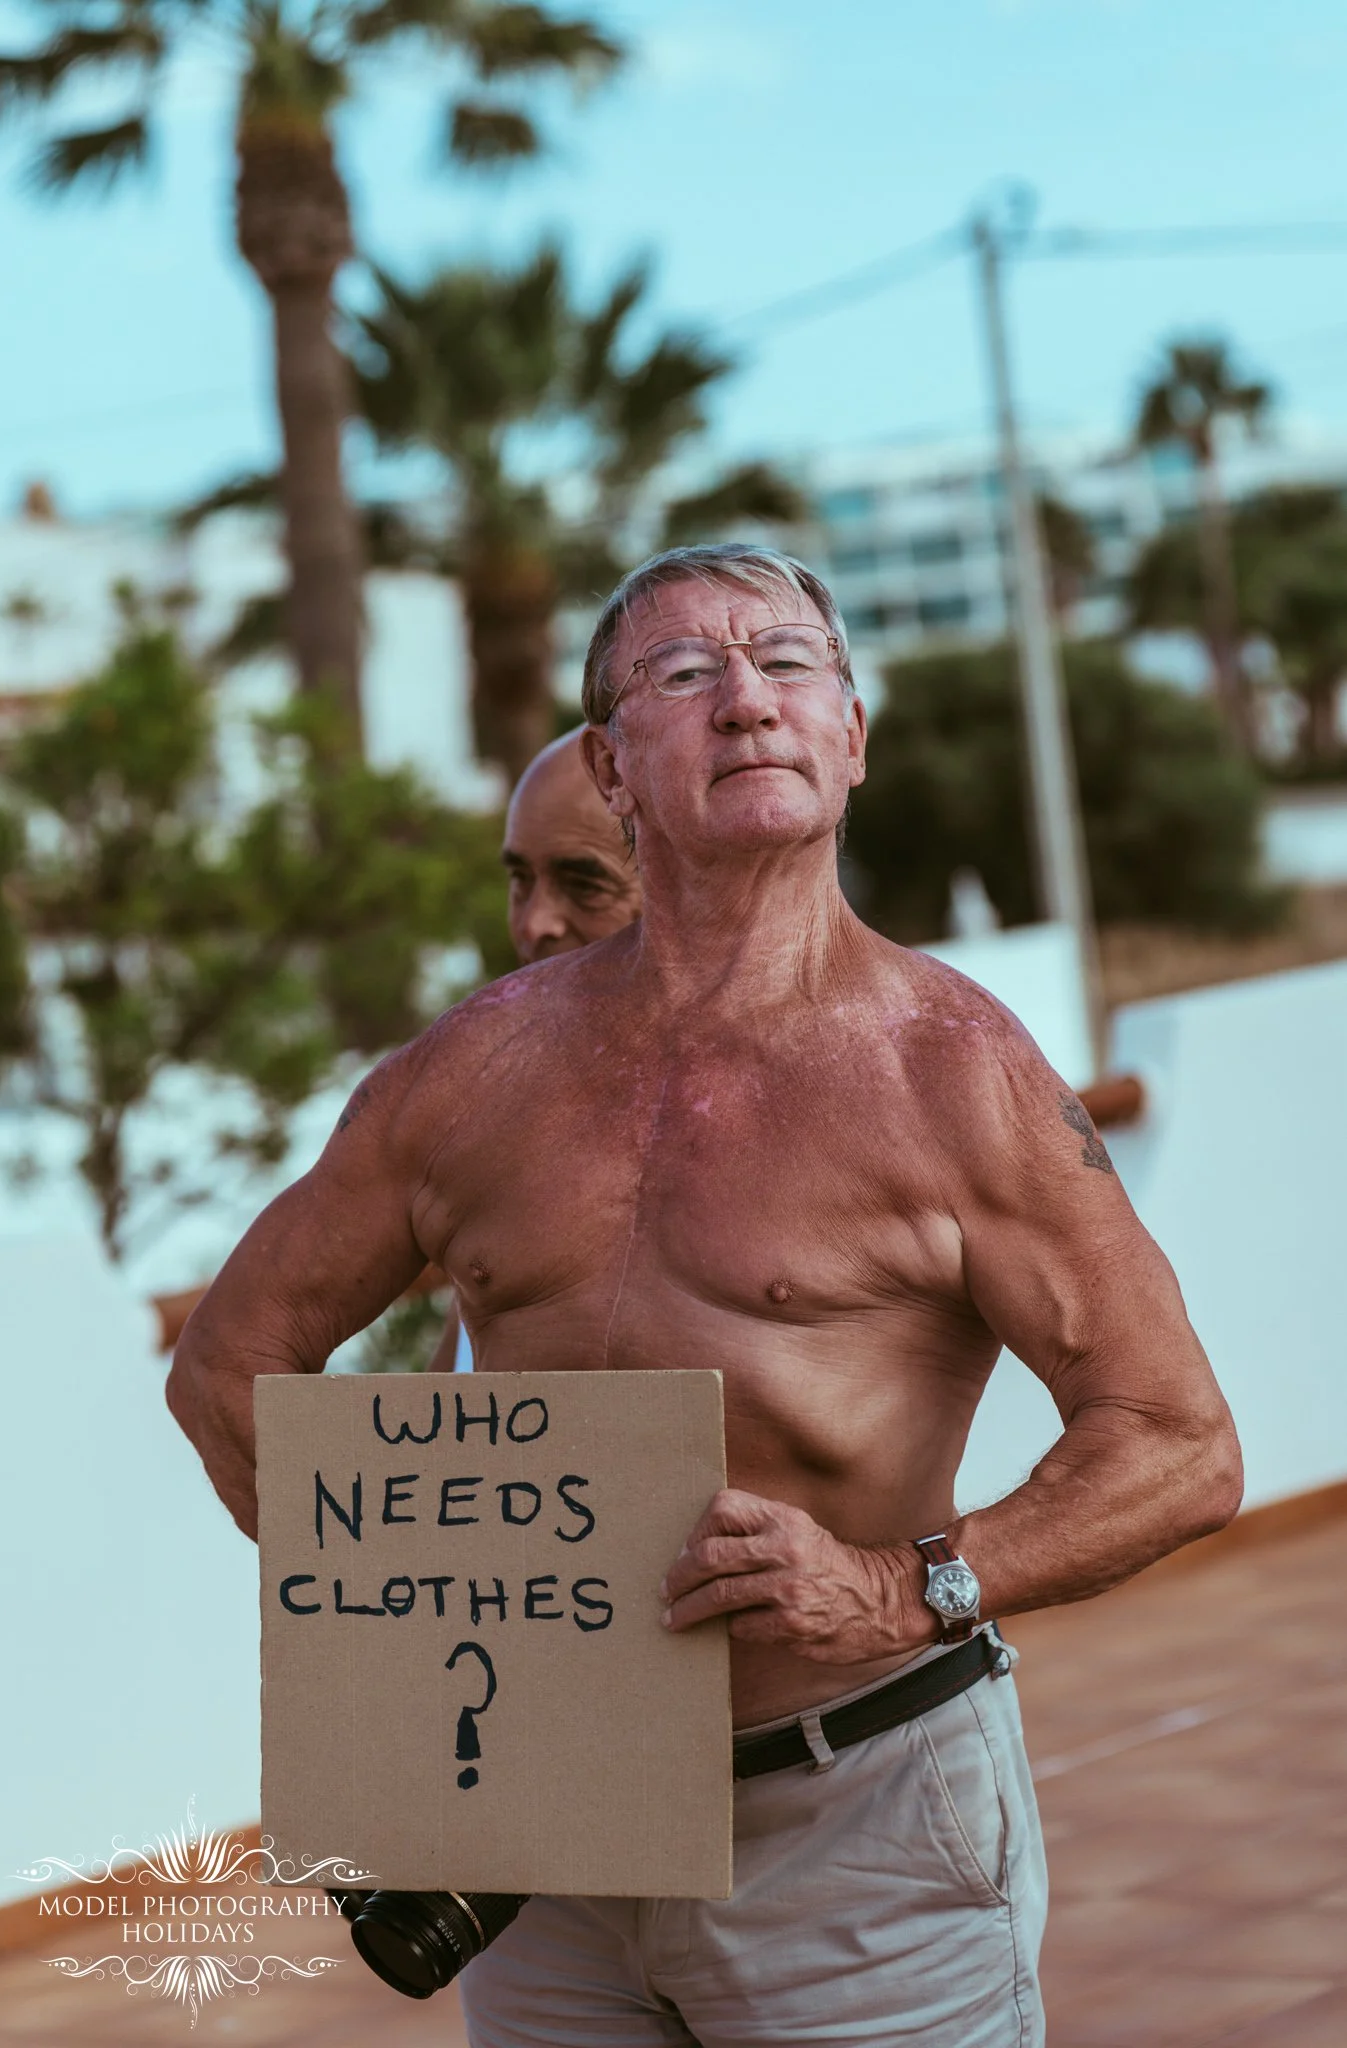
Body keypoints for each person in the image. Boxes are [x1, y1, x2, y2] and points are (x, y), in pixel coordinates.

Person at [167, 543, 1242, 2047]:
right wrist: (401, 1643)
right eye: (684, 673)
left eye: (789, 662)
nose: (746, 700)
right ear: (608, 766)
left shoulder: (954, 1072)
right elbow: (225, 1364)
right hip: (547, 1845)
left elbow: (1177, 1443)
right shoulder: (468, 1077)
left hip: (855, 1820)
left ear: (850, 738)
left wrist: (899, 1584)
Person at [435, 725, 643, 1371]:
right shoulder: (503, 1119)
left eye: (584, 884)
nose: (532, 924)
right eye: (520, 880)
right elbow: (458, 1400)